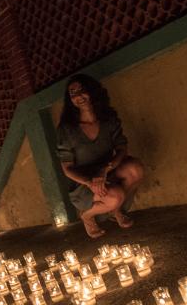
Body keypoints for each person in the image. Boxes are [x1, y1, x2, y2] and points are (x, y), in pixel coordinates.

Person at [56, 74, 145, 238]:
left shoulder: (108, 119)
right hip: (83, 184)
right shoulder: (67, 129)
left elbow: (121, 147)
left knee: (135, 169)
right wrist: (90, 182)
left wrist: (105, 169)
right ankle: (87, 215)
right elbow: (67, 169)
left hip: (107, 172)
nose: (78, 96)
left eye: (82, 90)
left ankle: (116, 210)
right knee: (115, 196)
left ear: (93, 91)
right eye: (73, 93)